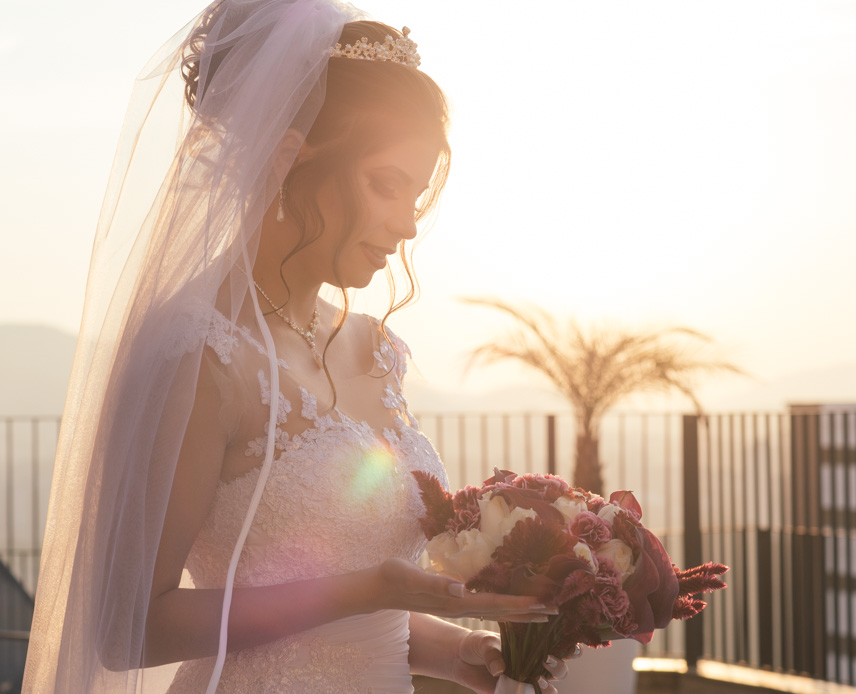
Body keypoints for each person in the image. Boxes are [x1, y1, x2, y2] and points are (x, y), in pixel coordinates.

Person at [23, 1, 573, 691]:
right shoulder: (200, 355)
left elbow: (364, 627)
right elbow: (130, 627)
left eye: (418, 194)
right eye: (386, 185)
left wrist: (462, 654)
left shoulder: (379, 350)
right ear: (288, 157)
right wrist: (368, 588)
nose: (406, 225)